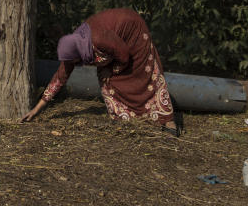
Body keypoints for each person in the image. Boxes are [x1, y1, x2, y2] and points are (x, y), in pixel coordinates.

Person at [19, 8, 182, 136]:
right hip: (116, 47)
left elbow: (124, 55)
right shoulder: (74, 49)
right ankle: (123, 119)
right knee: (106, 81)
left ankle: (167, 122)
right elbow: (59, 78)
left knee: (146, 77)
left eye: (76, 61)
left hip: (134, 32)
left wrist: (112, 71)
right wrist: (37, 109)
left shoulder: (97, 39)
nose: (76, 64)